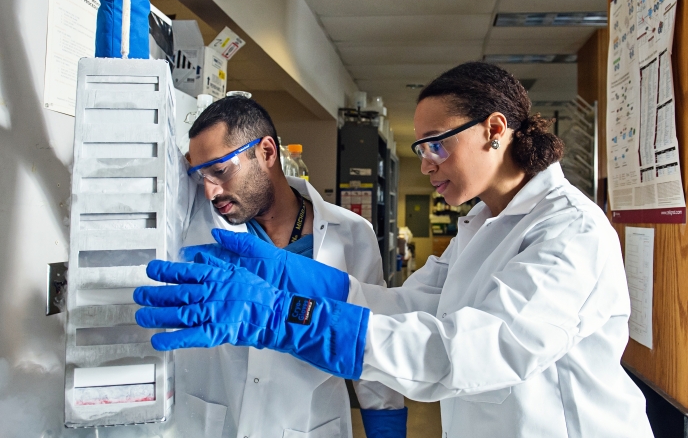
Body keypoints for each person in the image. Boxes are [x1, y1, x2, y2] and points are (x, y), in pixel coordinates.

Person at [136, 63, 654, 438]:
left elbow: (460, 349)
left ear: (495, 130)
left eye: (436, 144)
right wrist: (287, 272)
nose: (426, 163)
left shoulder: (570, 232)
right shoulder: (482, 225)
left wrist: (280, 317)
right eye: (420, 149)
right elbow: (402, 306)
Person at [172, 96, 406, 438]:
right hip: (216, 422)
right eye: (201, 176)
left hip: (309, 424)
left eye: (220, 171)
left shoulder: (353, 235)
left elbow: (370, 337)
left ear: (267, 153)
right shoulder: (201, 219)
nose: (210, 191)